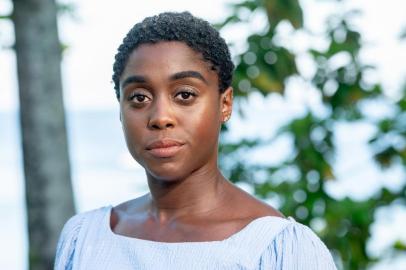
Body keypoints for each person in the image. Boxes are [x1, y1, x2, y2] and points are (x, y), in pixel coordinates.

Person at [54, 11, 337, 270]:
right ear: (120, 109)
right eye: (139, 97)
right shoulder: (85, 239)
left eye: (185, 95)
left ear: (224, 104)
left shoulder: (278, 250)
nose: (160, 117)